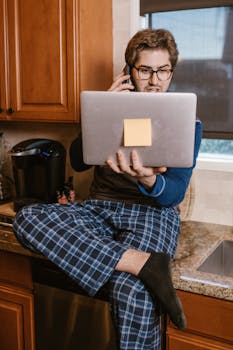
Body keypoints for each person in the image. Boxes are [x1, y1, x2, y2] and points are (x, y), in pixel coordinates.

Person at [13, 29, 202, 350]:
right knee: (26, 219)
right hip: (99, 208)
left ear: (171, 72)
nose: (155, 80)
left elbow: (174, 194)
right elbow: (78, 160)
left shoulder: (188, 124)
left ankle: (141, 268)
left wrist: (148, 180)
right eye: (145, 70)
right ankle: (143, 263)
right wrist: (100, 113)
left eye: (163, 71)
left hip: (152, 215)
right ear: (129, 72)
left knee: (131, 291)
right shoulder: (110, 111)